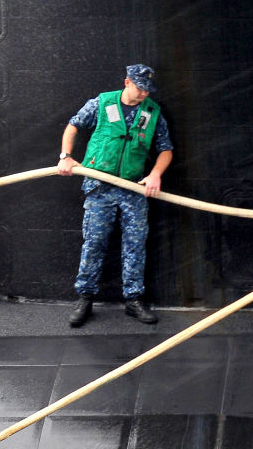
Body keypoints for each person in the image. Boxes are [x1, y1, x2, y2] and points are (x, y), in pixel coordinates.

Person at [58, 64, 173, 327]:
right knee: (94, 243)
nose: (144, 94)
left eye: (148, 90)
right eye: (140, 88)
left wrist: (155, 174)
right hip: (100, 186)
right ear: (127, 82)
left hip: (133, 188)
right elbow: (73, 126)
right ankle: (85, 297)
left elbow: (165, 149)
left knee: (135, 244)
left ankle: (133, 299)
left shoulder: (152, 112)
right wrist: (66, 156)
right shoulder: (102, 103)